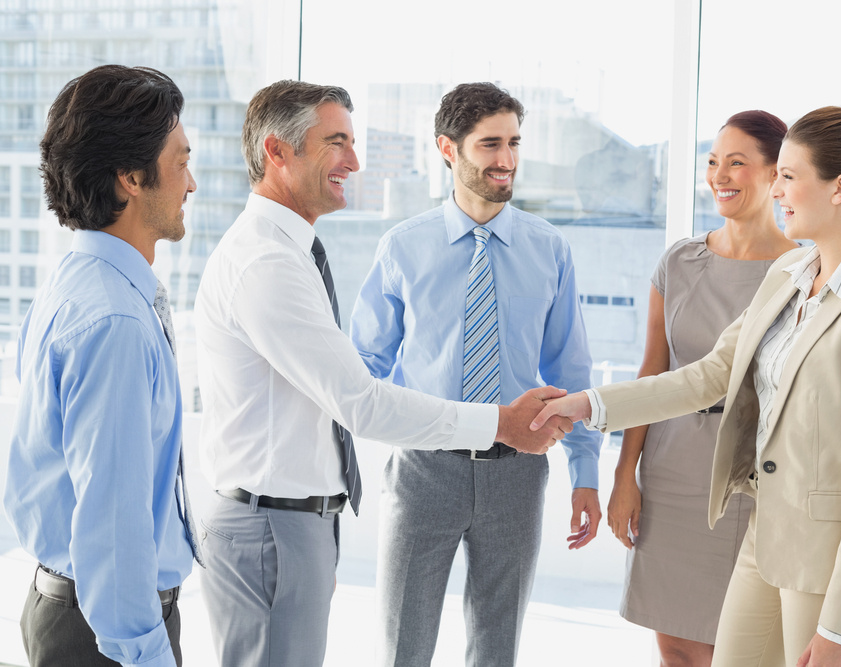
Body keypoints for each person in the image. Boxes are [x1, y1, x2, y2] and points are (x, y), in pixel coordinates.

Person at [531, 106, 841, 667]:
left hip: (825, 559)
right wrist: (585, 405)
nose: (779, 190)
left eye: (789, 176)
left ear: (839, 188)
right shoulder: (788, 278)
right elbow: (705, 377)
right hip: (762, 536)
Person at [194, 80, 570, 667]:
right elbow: (361, 397)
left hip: (301, 519)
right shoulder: (272, 262)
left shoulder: (290, 253)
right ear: (277, 151)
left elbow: (337, 391)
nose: (354, 161)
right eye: (336, 142)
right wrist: (500, 423)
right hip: (290, 517)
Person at [351, 82, 603, 667]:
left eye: (514, 142)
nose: (506, 160)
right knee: (402, 646)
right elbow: (363, 368)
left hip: (519, 475)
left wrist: (585, 472)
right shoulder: (402, 248)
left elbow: (572, 370)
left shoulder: (549, 249)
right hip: (423, 470)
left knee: (497, 647)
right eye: (490, 144)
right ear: (448, 148)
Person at [3, 65, 198, 667]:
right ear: (132, 177)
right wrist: (146, 653)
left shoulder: (77, 281)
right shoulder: (115, 321)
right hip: (107, 632)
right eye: (181, 161)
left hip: (76, 611)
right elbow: (113, 523)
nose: (191, 183)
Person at [606, 110, 798, 666]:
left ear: (774, 174)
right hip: (669, 474)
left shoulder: (801, 272)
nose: (720, 175)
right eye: (713, 162)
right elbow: (653, 374)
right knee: (675, 651)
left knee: (733, 649)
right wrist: (625, 477)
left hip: (748, 480)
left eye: (737, 163)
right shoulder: (679, 262)